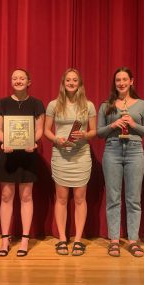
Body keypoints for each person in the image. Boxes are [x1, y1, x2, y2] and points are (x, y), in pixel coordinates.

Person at [97, 67, 144, 257]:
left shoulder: (142, 105)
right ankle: (113, 240)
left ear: (131, 81)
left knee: (133, 198)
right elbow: (98, 133)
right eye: (118, 80)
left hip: (135, 151)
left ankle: (133, 240)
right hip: (112, 149)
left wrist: (133, 125)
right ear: (115, 83)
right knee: (113, 197)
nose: (121, 83)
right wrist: (113, 125)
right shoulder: (106, 105)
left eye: (125, 79)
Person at [44, 68, 96, 256]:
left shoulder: (88, 105)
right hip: (60, 155)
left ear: (79, 83)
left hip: (81, 155)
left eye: (75, 80)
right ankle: (62, 238)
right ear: (63, 83)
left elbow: (93, 132)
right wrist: (55, 139)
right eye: (68, 80)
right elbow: (47, 131)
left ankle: (78, 239)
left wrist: (84, 134)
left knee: (80, 198)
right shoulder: (53, 105)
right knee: (61, 198)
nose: (71, 83)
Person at [0, 69, 45, 257]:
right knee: (6, 196)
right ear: (11, 81)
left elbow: (39, 129)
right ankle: (5, 239)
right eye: (14, 78)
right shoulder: (2, 103)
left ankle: (24, 239)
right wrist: (4, 141)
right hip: (8, 155)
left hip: (28, 156)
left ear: (29, 81)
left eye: (22, 78)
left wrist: (33, 142)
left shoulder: (37, 104)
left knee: (26, 196)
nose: (18, 80)